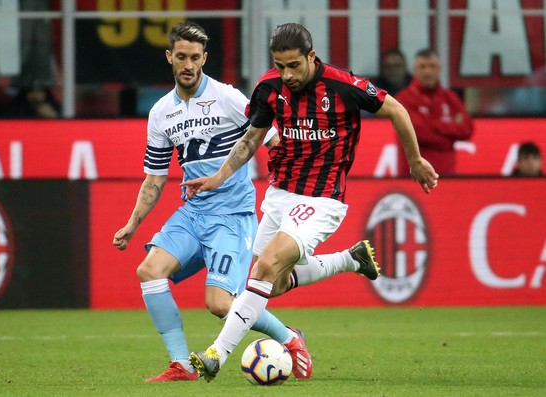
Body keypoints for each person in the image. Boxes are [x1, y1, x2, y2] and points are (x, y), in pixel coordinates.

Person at [181, 23, 439, 382]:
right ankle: (350, 259)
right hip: (280, 194)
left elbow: (396, 109)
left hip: (322, 198)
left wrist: (415, 160)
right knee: (273, 282)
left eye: (294, 66)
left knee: (267, 265)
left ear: (311, 57)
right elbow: (250, 141)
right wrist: (217, 178)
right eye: (280, 65)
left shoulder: (344, 86)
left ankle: (216, 355)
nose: (287, 74)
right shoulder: (269, 89)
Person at [112, 22, 311, 382]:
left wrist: (288, 190)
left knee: (219, 304)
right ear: (169, 57)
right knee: (148, 270)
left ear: (205, 58)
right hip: (193, 213)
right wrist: (132, 224)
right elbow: (155, 179)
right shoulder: (160, 113)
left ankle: (289, 337)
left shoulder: (228, 97)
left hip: (231, 216)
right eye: (181, 57)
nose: (188, 65)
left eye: (195, 58)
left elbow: (273, 139)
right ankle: (181, 365)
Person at [395, 48, 473, 177]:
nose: (427, 72)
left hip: (447, 177)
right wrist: (450, 136)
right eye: (422, 67)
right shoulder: (403, 100)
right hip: (414, 177)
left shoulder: (450, 98)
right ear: (414, 70)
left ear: (439, 69)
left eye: (432, 66)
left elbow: (467, 129)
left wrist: (435, 125)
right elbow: (420, 134)